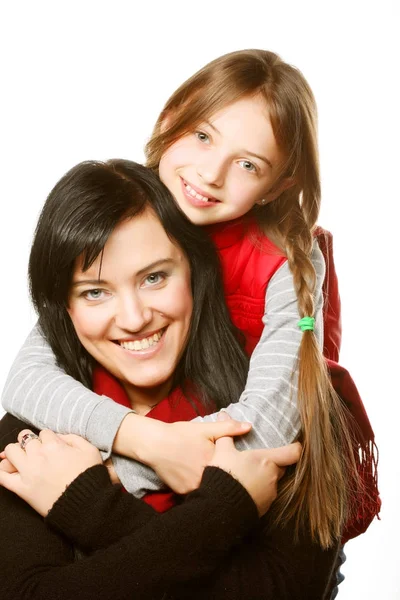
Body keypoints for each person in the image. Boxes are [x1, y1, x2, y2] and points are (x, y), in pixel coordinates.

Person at [1, 50, 379, 549]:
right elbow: (28, 379)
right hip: (162, 431)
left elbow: (268, 420)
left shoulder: (287, 255)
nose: (210, 175)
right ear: (170, 119)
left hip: (240, 456)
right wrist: (149, 441)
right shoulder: (134, 209)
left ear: (278, 185)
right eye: (202, 137)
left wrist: (112, 475)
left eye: (247, 164)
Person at [0, 159, 334, 600]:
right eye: (95, 292)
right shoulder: (33, 435)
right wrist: (225, 508)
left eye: (154, 277)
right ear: (64, 307)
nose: (135, 318)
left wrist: (89, 504)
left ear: (195, 271)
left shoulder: (277, 416)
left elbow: (285, 592)